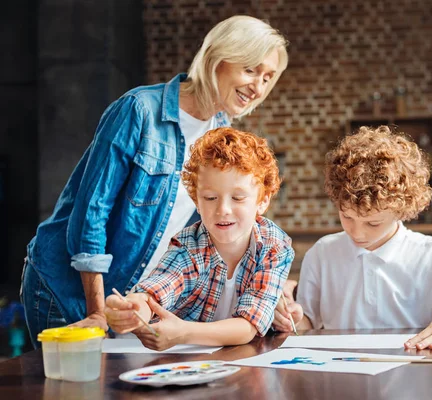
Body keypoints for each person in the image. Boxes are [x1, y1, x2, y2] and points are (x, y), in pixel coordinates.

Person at [21, 15, 289, 346]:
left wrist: (265, 294)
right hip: (68, 289)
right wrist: (96, 311)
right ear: (219, 57)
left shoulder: (223, 133)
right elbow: (92, 209)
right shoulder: (140, 110)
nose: (259, 87)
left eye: (268, 77)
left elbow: (216, 231)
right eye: (251, 70)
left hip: (134, 298)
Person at [273, 125, 432, 350]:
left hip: (415, 372)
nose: (357, 232)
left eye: (373, 223)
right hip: (343, 374)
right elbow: (307, 323)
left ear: (401, 210)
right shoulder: (323, 253)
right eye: (347, 216)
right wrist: (291, 319)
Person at [104, 127, 293, 349]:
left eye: (238, 198)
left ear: (262, 201)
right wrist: (133, 310)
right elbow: (155, 292)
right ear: (196, 201)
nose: (223, 209)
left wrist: (184, 333)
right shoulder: (188, 246)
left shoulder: (274, 247)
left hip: (246, 361)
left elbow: (248, 326)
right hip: (188, 363)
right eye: (210, 197)